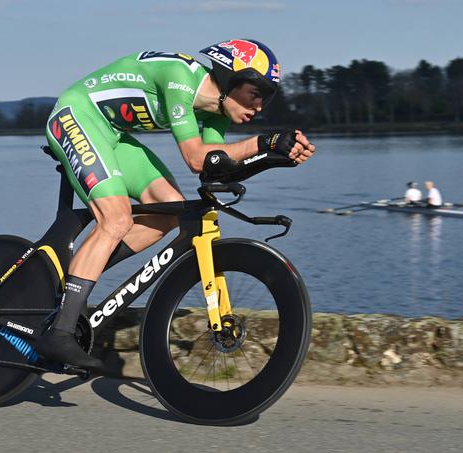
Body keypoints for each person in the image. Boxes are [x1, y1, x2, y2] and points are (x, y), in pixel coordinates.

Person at [36, 40, 316, 370]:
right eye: (255, 93)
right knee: (115, 219)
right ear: (229, 79)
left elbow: (215, 164)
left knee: (167, 211)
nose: (259, 106)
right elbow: (196, 159)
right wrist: (264, 141)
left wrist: (276, 157)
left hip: (114, 134)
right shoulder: (179, 78)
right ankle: (60, 333)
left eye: (265, 98)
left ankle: (73, 289)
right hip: (77, 115)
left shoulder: (217, 113)